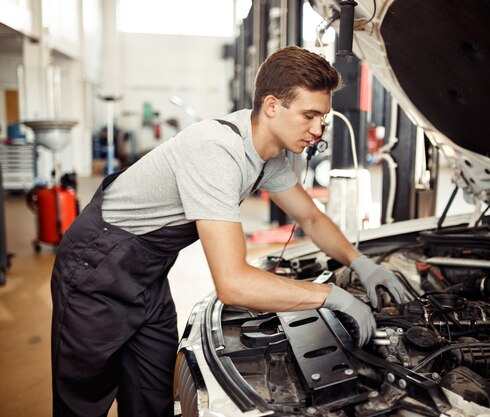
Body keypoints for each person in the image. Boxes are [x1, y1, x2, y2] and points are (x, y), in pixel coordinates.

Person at [50, 45, 412, 417]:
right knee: (84, 402)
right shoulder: (216, 150)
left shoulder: (267, 156)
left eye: (323, 117)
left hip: (149, 276)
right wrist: (330, 295)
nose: (318, 130)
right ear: (272, 106)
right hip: (95, 269)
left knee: (151, 396)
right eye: (309, 115)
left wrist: (362, 262)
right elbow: (233, 283)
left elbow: (311, 218)